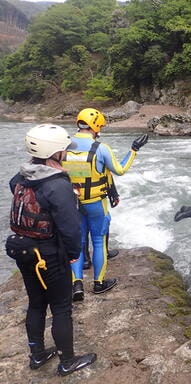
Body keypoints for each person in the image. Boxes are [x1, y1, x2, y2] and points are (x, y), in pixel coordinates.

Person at [7, 124, 96, 375]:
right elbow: (70, 229)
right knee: (61, 307)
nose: (67, 153)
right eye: (63, 150)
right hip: (48, 254)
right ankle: (67, 361)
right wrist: (73, 255)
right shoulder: (58, 185)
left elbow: (13, 185)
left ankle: (37, 355)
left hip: (23, 250)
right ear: (53, 152)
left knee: (36, 303)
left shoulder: (23, 175)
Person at [62, 108, 148, 302]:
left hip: (73, 204)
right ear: (95, 126)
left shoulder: (64, 145)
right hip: (95, 204)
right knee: (99, 241)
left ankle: (77, 284)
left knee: (79, 241)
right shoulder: (101, 148)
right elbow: (120, 170)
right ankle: (98, 283)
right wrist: (134, 150)